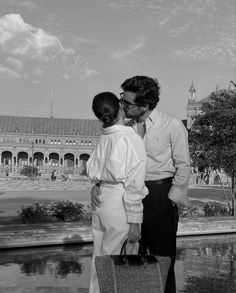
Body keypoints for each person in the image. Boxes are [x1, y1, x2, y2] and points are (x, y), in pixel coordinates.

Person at [91, 76, 190, 293]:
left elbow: (183, 165)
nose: (122, 106)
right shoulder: (123, 129)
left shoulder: (172, 125)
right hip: (128, 196)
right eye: (121, 100)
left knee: (163, 261)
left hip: (159, 194)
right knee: (131, 258)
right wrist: (98, 185)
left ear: (145, 105)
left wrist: (170, 200)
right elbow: (109, 163)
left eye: (127, 103)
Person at [87, 92, 148, 293]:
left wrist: (96, 186)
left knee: (100, 260)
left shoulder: (105, 136)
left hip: (101, 202)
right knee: (119, 263)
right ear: (120, 108)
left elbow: (93, 169)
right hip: (120, 204)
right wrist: (134, 219)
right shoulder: (130, 138)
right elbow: (135, 183)